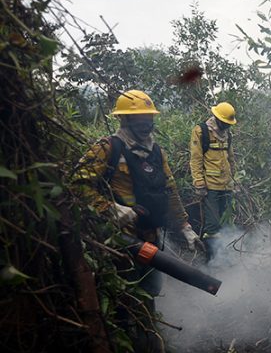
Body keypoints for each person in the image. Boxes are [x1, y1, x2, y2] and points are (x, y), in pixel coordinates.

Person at [75, 90, 205, 296]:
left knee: (152, 288)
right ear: (125, 120)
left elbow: (170, 190)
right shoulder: (107, 147)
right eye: (139, 121)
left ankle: (149, 325)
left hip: (151, 236)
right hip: (120, 239)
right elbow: (76, 185)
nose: (145, 126)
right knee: (127, 292)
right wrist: (109, 209)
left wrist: (184, 226)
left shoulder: (156, 152)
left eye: (149, 120)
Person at [189, 101, 237, 260]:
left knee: (226, 224)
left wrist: (234, 180)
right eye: (224, 123)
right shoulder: (201, 131)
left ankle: (226, 258)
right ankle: (211, 261)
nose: (226, 126)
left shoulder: (227, 134)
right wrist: (199, 184)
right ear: (217, 118)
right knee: (212, 226)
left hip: (227, 186)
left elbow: (231, 159)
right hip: (210, 188)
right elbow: (195, 159)